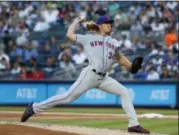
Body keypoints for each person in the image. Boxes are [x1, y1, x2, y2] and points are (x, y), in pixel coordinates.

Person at [21, 15, 150, 134]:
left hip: (103, 77)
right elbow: (69, 35)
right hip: (90, 75)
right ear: (99, 25)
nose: (110, 25)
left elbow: (120, 58)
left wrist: (132, 67)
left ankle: (133, 125)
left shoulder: (113, 42)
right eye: (107, 23)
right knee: (67, 98)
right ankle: (34, 108)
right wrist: (76, 21)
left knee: (124, 92)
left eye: (111, 23)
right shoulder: (88, 38)